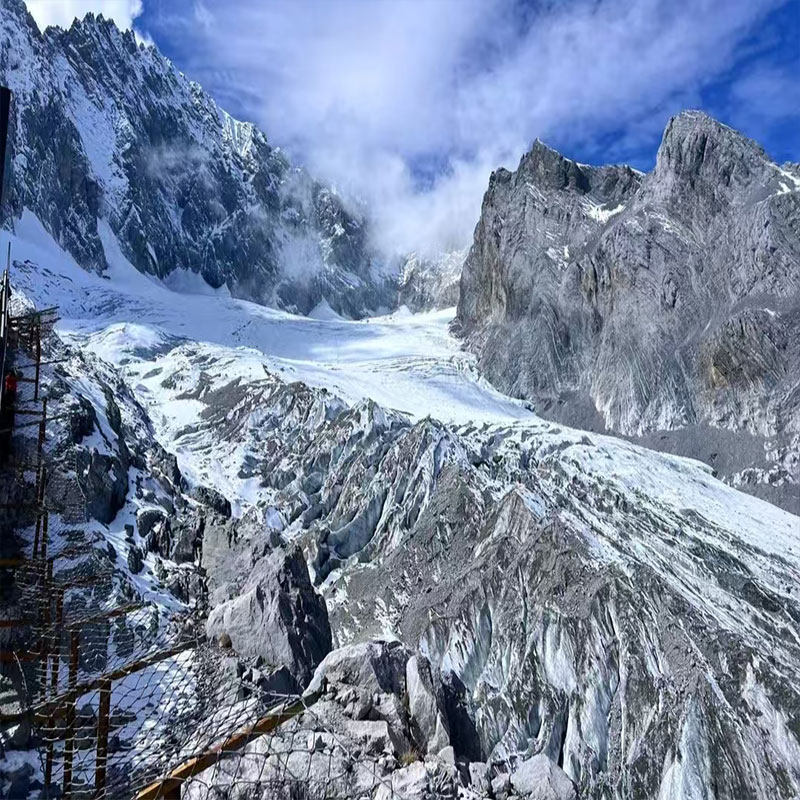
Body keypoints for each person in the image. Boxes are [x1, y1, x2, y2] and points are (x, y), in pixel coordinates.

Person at [0, 369, 17, 463]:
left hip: (6, 413)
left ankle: (4, 457)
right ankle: (5, 457)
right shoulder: (11, 385)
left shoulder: (9, 385)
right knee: (6, 436)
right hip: (7, 414)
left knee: (5, 436)